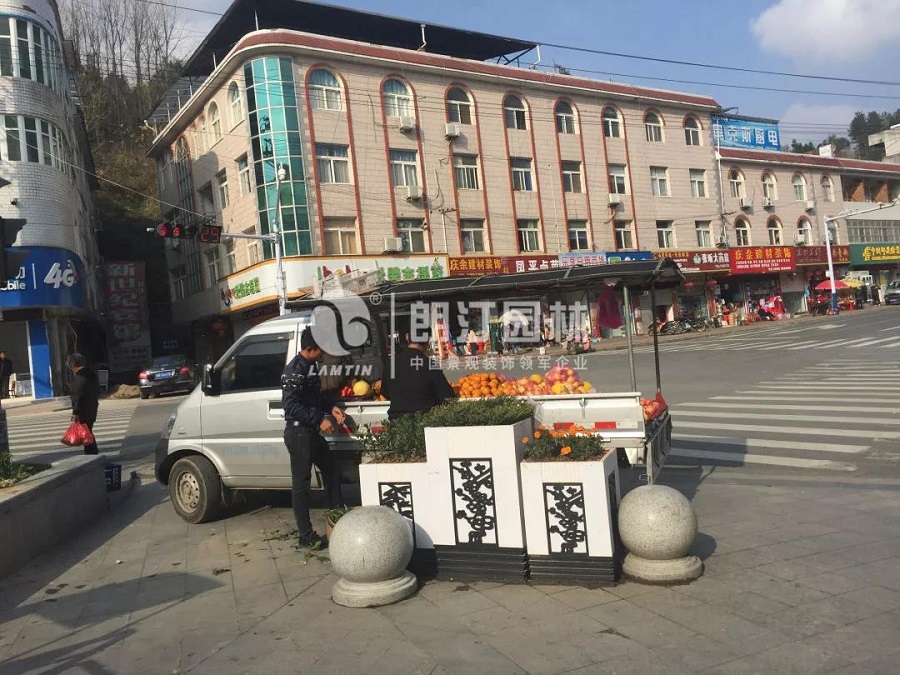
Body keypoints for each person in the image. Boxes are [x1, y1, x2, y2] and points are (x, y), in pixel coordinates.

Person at [281, 327, 346, 550]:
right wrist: (319, 419)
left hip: (310, 432)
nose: (324, 353)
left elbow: (315, 398)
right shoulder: (294, 370)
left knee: (331, 470)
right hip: (298, 434)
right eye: (321, 350)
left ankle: (338, 518)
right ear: (310, 349)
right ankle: (305, 535)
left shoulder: (311, 367)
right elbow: (292, 405)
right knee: (301, 486)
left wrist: (332, 407)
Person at [383, 326, 455, 420]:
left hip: (397, 424)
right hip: (423, 423)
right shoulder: (429, 364)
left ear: (407, 337)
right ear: (427, 340)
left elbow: (385, 393)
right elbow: (447, 396)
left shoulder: (391, 364)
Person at [67, 353, 100, 455]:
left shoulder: (80, 378)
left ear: (72, 365)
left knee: (87, 434)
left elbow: (78, 396)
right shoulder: (91, 375)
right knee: (88, 433)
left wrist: (75, 412)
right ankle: (92, 453)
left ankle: (92, 455)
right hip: (91, 408)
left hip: (83, 411)